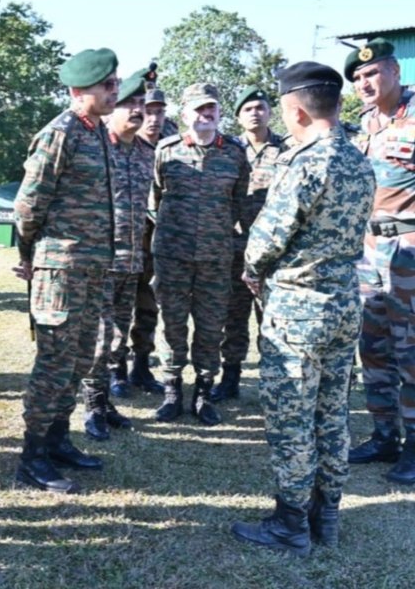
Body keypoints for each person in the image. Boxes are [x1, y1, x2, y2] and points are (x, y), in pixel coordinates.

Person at [231, 61, 375, 555]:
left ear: (294, 109)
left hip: (299, 309)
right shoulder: (358, 160)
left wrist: (252, 268)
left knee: (292, 418)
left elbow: (266, 239)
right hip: (343, 304)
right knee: (332, 415)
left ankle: (292, 524)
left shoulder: (307, 161)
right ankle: (326, 515)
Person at [12, 48, 118, 493]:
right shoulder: (60, 133)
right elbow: (28, 204)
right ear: (78, 92)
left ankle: (57, 440)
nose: (115, 91)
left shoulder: (95, 131)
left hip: (91, 265)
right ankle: (32, 455)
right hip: (61, 267)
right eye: (106, 86)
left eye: (114, 84)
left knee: (79, 358)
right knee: (54, 361)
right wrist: (35, 254)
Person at [152, 83, 250, 426]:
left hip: (215, 257)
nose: (206, 114)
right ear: (185, 114)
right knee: (172, 325)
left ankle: (204, 393)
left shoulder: (235, 153)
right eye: (198, 109)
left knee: (211, 327)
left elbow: (240, 204)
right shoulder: (166, 151)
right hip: (172, 256)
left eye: (211, 109)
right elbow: (154, 202)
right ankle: (172, 392)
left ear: (219, 113)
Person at [344, 39, 415, 485]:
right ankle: (384, 434)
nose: (364, 84)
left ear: (394, 72)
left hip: (409, 252)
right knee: (372, 346)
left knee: (411, 351)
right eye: (357, 79)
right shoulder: (364, 125)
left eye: (371, 74)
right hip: (368, 253)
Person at [81, 72, 150, 440]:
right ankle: (92, 407)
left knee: (119, 337)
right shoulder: (94, 145)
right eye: (129, 103)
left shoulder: (144, 153)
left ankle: (105, 402)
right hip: (99, 261)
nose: (137, 111)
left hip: (132, 261)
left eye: (141, 104)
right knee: (101, 337)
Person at [212, 86, 286, 403]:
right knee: (233, 317)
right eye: (248, 109)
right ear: (238, 117)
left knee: (272, 319)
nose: (255, 112)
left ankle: (275, 383)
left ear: (270, 112)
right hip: (235, 249)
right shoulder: (227, 149)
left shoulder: (287, 148)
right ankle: (230, 378)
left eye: (260, 107)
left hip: (273, 252)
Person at [127, 87, 172, 395]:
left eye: (159, 111)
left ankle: (141, 367)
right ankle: (115, 371)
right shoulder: (125, 146)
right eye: (148, 111)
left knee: (148, 306)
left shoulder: (172, 146)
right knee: (119, 307)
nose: (153, 118)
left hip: (159, 241)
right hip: (129, 239)